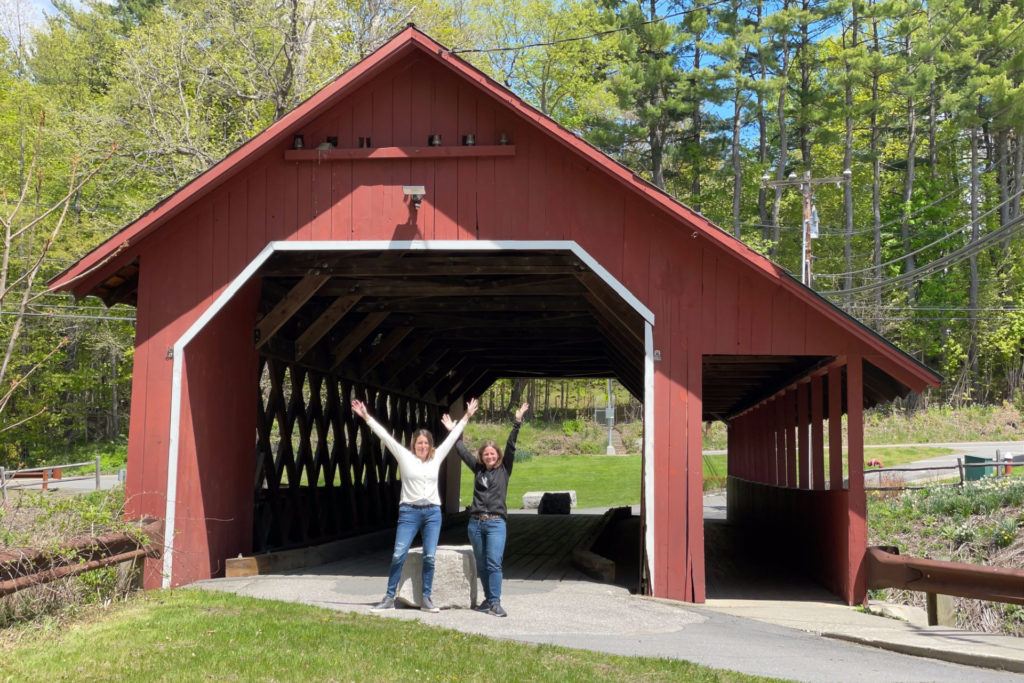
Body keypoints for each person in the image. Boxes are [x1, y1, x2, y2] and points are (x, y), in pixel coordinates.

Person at [352, 396, 478, 613]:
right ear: (414, 444)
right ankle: (389, 597)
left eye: (426, 443)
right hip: (409, 512)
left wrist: (466, 416)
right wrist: (366, 417)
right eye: (419, 443)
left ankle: (427, 598)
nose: (422, 446)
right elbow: (385, 436)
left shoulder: (436, 457)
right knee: (398, 553)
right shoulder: (404, 456)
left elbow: (453, 437)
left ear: (430, 446)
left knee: (429, 556)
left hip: (431, 513)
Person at [442, 401, 528, 618]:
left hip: (496, 522)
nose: (489, 457)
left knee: (493, 562)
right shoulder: (478, 469)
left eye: (493, 454)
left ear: (498, 456)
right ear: (482, 457)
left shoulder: (505, 470)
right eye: (486, 454)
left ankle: (496, 603)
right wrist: (454, 431)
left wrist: (517, 422)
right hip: (476, 523)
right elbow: (461, 451)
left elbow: (511, 445)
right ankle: (488, 600)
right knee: (481, 564)